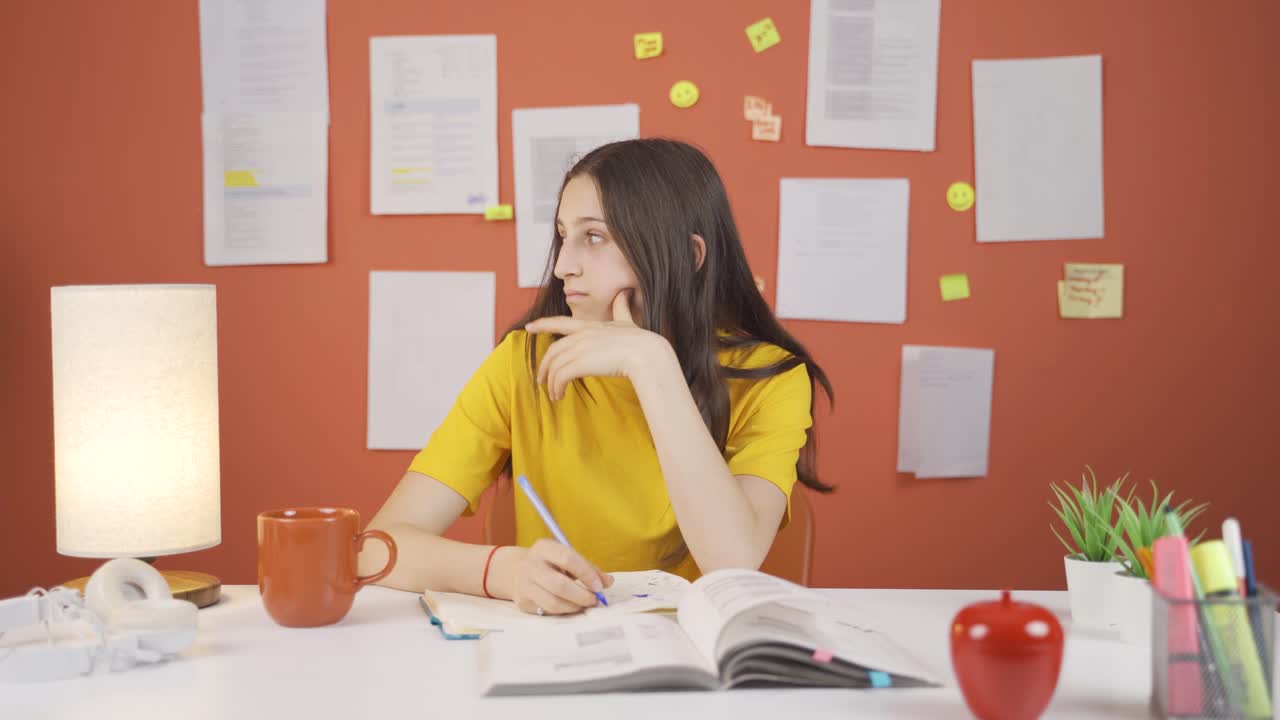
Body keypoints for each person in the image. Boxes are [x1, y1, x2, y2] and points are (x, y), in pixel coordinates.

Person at [358, 138, 833, 616]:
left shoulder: (772, 379)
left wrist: (652, 365)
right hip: (558, 645)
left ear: (689, 257)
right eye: (563, 235)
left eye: (594, 236)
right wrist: (504, 572)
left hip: (688, 656)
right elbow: (375, 549)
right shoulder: (524, 362)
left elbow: (731, 561)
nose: (564, 266)